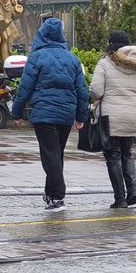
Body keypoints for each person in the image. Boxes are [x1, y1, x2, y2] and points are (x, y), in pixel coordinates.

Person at [11, 18, 89, 212]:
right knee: (57, 154)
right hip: (65, 114)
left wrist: (17, 111)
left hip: (44, 114)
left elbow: (25, 87)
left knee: (50, 155)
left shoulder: (36, 58)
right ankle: (51, 193)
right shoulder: (72, 59)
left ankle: (57, 197)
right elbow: (82, 90)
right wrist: (81, 116)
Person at [89, 31, 136, 209]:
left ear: (111, 44)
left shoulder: (105, 63)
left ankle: (120, 199)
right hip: (133, 116)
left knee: (113, 156)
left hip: (111, 117)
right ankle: (133, 189)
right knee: (127, 152)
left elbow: (96, 90)